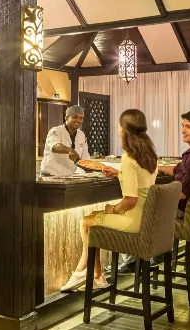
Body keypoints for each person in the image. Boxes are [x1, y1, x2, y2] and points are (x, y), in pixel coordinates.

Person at [61, 109, 158, 291]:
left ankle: (83, 270)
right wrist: (118, 173)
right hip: (147, 218)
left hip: (134, 220)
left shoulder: (128, 157)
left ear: (124, 130)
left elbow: (130, 200)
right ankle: (96, 275)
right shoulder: (149, 153)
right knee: (92, 219)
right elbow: (140, 179)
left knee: (86, 222)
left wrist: (112, 209)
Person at [40, 105, 90, 177]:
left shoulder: (81, 135)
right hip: (50, 175)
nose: (78, 120)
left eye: (81, 118)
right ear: (66, 117)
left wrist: (90, 168)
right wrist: (70, 151)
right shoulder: (55, 131)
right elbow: (55, 146)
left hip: (69, 176)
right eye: (74, 117)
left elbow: (85, 156)